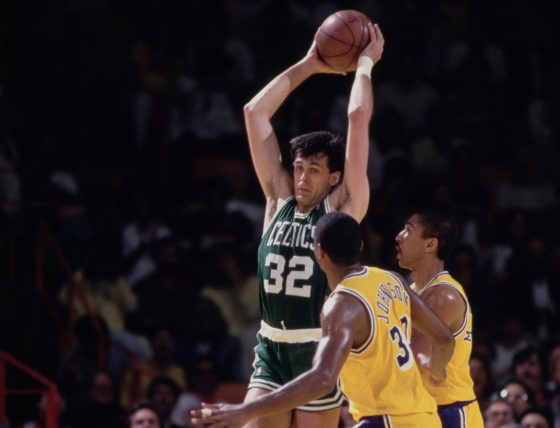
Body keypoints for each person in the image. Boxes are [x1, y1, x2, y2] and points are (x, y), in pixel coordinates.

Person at [242, 20, 384, 428]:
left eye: (314, 170)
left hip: (316, 350)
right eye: (299, 168)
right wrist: (309, 64)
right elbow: (254, 112)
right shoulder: (277, 201)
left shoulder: (343, 208)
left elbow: (357, 116)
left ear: (334, 177)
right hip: (270, 347)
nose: (302, 177)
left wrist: (364, 66)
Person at [191, 212, 454, 427]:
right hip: (425, 418)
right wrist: (436, 368)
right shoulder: (391, 279)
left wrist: (246, 410)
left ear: (318, 252)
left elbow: (322, 379)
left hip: (384, 421)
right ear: (360, 247)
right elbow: (443, 338)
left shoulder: (340, 306)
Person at [395, 209, 484, 427]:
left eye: (408, 230)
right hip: (420, 411)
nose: (398, 236)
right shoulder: (412, 291)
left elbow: (416, 360)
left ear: (430, 245)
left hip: (448, 411)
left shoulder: (443, 296)